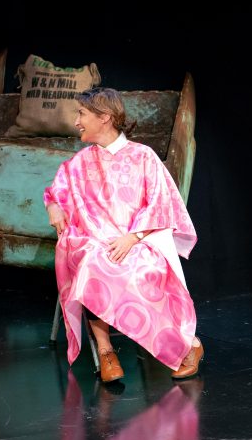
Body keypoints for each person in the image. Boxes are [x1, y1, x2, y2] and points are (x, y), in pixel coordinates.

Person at [44, 87, 204, 382]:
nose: (77, 122)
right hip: (94, 242)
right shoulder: (79, 163)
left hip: (139, 240)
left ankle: (188, 344)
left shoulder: (143, 157)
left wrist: (132, 238)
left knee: (137, 269)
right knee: (93, 262)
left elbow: (161, 203)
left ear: (104, 117)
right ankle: (106, 350)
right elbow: (56, 190)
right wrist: (53, 206)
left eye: (82, 114)